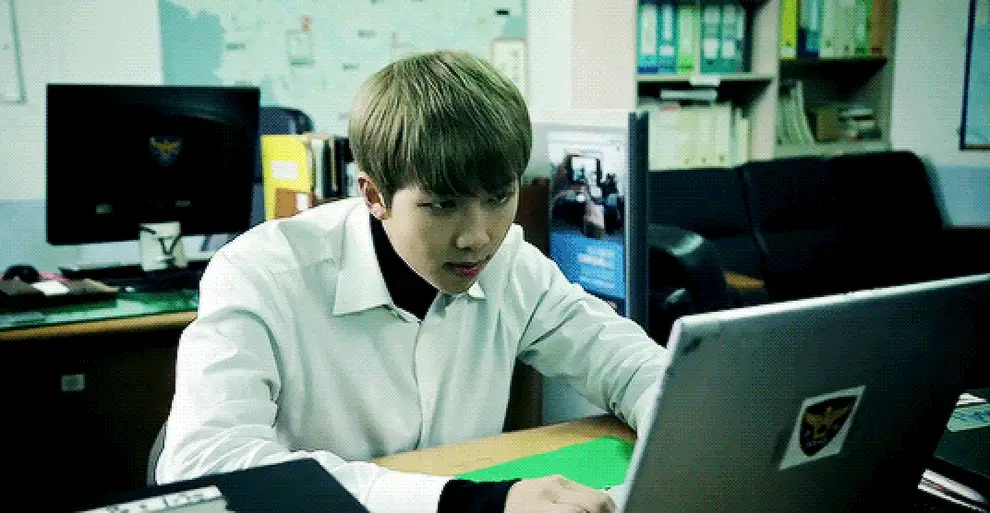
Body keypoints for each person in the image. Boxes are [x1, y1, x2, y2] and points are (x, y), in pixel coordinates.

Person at [156, 50, 670, 513]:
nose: (477, 237)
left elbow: (628, 365)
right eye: (442, 205)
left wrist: (683, 430)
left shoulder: (511, 262)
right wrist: (466, 503)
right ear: (374, 195)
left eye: (498, 197)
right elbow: (204, 464)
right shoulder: (260, 273)